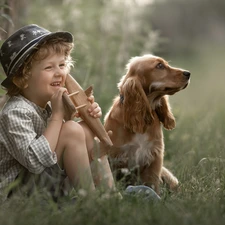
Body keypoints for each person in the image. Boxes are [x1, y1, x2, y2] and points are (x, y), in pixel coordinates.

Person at [0, 24, 117, 202]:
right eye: (49, 68)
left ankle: (111, 196)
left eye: (62, 65)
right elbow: (33, 161)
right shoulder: (15, 112)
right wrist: (57, 116)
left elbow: (61, 143)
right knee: (72, 130)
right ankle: (92, 203)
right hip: (19, 197)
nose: (59, 73)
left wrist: (88, 117)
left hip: (44, 185)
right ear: (21, 79)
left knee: (84, 129)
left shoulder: (47, 104)